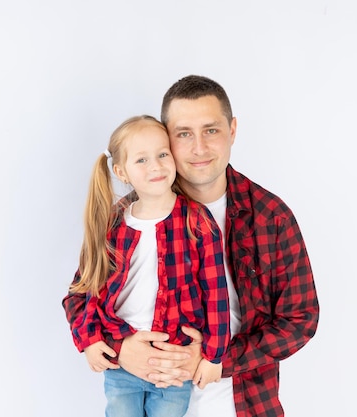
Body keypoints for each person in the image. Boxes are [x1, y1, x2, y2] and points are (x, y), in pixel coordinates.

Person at [63, 76, 320, 417]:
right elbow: (81, 296)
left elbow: (300, 320)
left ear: (232, 131)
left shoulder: (270, 217)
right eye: (184, 134)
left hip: (242, 405)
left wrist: (217, 358)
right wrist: (119, 348)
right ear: (166, 137)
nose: (199, 147)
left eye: (211, 130)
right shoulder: (124, 220)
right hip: (138, 393)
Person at [64, 115, 231, 417]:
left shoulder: (197, 221)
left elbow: (216, 294)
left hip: (173, 363)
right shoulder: (112, 224)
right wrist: (90, 340)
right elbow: (85, 291)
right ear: (121, 171)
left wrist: (214, 356)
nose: (156, 166)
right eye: (141, 160)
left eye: (163, 154)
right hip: (120, 363)